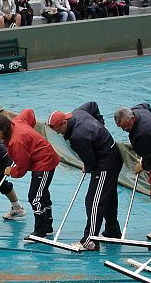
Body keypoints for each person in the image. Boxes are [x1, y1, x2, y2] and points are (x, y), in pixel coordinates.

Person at [47, 102, 122, 251]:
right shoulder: (78, 112)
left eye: (58, 130)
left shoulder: (78, 137)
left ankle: (90, 240)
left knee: (94, 201)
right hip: (114, 156)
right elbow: (93, 105)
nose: (58, 134)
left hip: (105, 164)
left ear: (64, 123)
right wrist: (101, 126)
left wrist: (87, 166)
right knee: (108, 196)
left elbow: (91, 162)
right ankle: (113, 232)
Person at [0, 110, 60, 240]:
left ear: (4, 129)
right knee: (42, 194)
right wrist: (31, 133)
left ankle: (40, 232)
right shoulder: (16, 122)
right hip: (42, 158)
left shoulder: (17, 142)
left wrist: (12, 171)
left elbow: (22, 167)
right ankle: (47, 227)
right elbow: (29, 112)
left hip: (45, 162)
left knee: (35, 197)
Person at [114, 105, 151, 248]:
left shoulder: (145, 132)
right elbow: (146, 105)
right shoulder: (138, 110)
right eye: (121, 127)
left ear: (132, 119)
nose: (124, 130)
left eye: (126, 127)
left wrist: (143, 166)